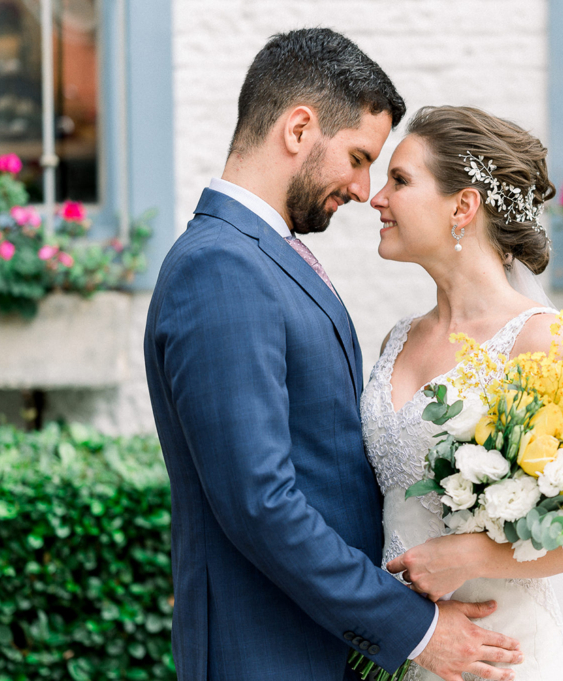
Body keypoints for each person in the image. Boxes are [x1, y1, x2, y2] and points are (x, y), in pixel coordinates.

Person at [143, 30, 523, 681]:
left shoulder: (264, 256)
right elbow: (261, 501)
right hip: (266, 654)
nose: (362, 187)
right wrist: (415, 628)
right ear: (298, 129)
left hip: (316, 648)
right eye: (357, 156)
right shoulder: (221, 268)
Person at [363, 105, 563, 681]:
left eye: (399, 181)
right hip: (408, 647)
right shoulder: (396, 339)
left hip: (502, 651)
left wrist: (468, 556)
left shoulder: (540, 340)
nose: (377, 198)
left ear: (463, 205)